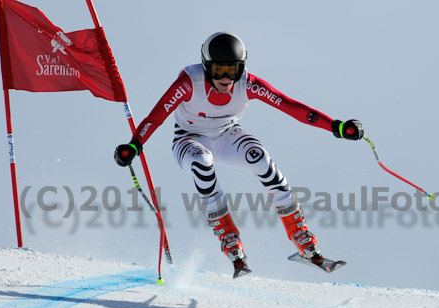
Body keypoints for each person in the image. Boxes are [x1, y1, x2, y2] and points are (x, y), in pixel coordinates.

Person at [115, 32, 363, 278]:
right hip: (189, 140)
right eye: (219, 70)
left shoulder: (248, 83)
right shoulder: (190, 82)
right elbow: (156, 116)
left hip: (227, 136)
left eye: (232, 71)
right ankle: (229, 237)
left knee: (260, 159)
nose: (225, 78)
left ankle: (301, 236)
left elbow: (290, 106)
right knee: (203, 162)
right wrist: (134, 145)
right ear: (206, 66)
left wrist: (336, 126)